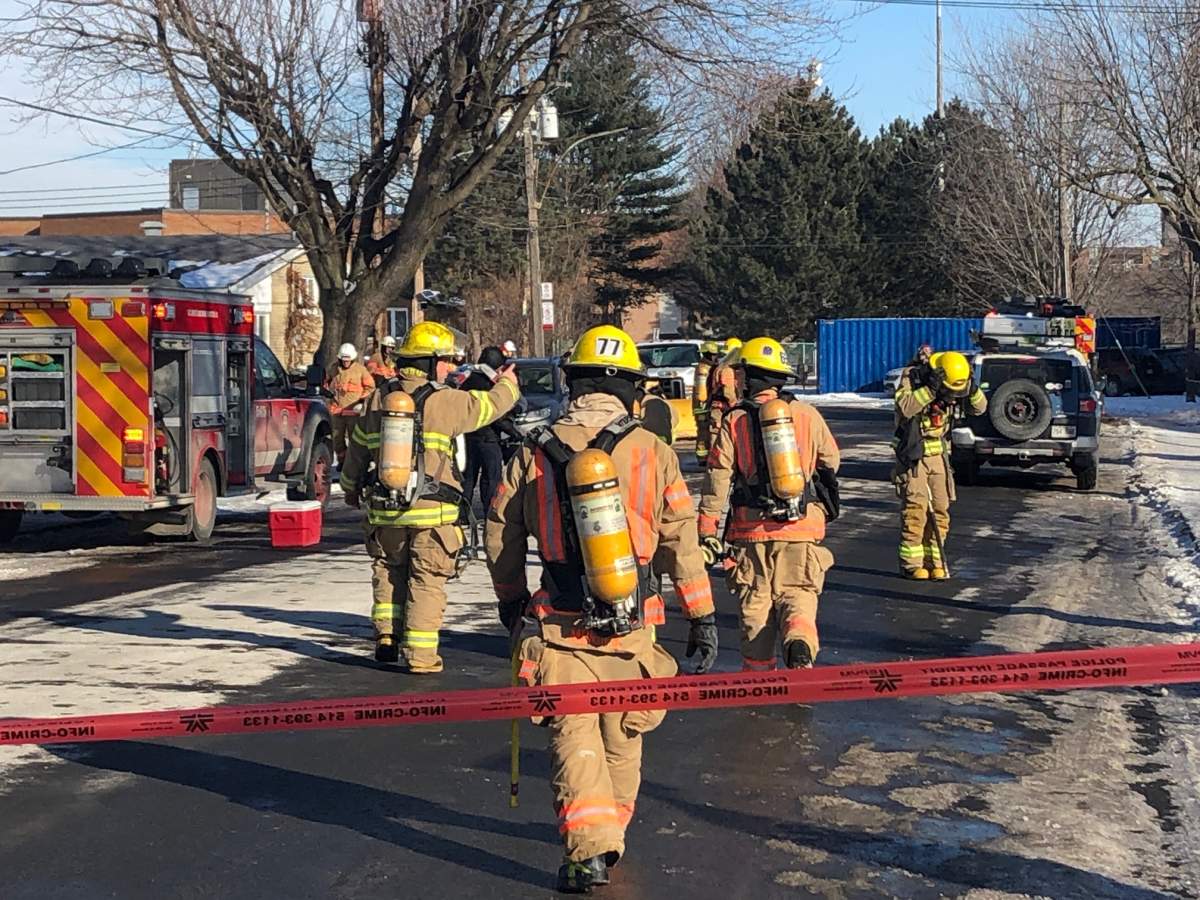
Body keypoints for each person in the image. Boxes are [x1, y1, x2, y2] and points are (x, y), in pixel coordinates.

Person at [487, 324, 717, 894]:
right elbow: (679, 541)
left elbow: (500, 533)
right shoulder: (655, 450)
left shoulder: (534, 451)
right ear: (628, 388)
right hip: (634, 625)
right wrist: (702, 615)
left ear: (575, 383)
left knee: (574, 737)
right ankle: (605, 838)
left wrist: (511, 599)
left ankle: (588, 848)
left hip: (560, 623)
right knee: (623, 736)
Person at [340, 321, 520, 670]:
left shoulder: (379, 397)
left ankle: (387, 637)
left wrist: (349, 487)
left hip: (386, 510)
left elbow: (358, 449)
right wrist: (509, 386)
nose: (451, 368)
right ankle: (421, 657)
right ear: (429, 361)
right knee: (426, 581)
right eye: (447, 361)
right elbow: (489, 408)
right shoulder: (445, 400)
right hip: (432, 514)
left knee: (388, 570)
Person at [698, 336, 840, 672]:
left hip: (752, 533)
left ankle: (759, 676)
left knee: (756, 606)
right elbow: (831, 460)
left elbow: (717, 478)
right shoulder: (806, 414)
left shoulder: (735, 421)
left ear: (751, 377)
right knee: (799, 595)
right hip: (801, 529)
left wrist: (708, 531)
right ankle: (799, 643)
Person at [892, 350, 987, 580]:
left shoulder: (957, 382)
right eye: (949, 393)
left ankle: (935, 561)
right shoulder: (913, 377)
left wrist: (972, 389)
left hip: (939, 458)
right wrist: (930, 391)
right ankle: (912, 565)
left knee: (941, 511)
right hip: (914, 456)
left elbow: (980, 408)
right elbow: (904, 407)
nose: (953, 399)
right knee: (916, 510)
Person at [461, 345, 510, 510]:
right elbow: (497, 416)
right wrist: (515, 433)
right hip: (488, 438)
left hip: (468, 437)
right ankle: (489, 510)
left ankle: (464, 512)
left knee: (468, 477)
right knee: (491, 477)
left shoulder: (467, 381)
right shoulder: (491, 385)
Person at [324, 343, 376, 467]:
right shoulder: (333, 369)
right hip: (337, 411)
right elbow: (326, 383)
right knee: (337, 440)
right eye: (343, 360)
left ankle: (354, 464)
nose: (346, 363)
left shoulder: (360, 370)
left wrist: (361, 400)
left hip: (353, 412)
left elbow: (371, 387)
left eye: (348, 360)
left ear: (353, 359)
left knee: (355, 440)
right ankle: (342, 462)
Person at [704, 338, 742, 456]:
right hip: (723, 409)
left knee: (715, 435)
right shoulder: (728, 370)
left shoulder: (719, 367)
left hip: (717, 408)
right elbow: (728, 391)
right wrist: (735, 405)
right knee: (719, 436)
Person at [692, 340, 721, 464]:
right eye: (713, 355)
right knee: (703, 431)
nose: (715, 357)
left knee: (707, 431)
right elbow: (702, 394)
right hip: (702, 406)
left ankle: (706, 456)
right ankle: (702, 458)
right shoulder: (703, 369)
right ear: (707, 354)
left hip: (704, 404)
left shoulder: (707, 367)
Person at [636, 378, 678, 446]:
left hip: (646, 444)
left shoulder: (646, 402)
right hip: (663, 442)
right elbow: (675, 419)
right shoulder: (664, 404)